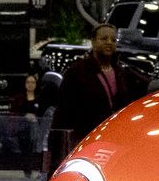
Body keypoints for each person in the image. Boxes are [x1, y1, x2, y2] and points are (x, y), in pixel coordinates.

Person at [52, 24, 152, 159]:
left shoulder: (122, 73)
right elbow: (62, 112)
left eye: (113, 40)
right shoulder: (77, 72)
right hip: (85, 141)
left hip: (114, 140)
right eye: (104, 39)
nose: (109, 43)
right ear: (93, 42)